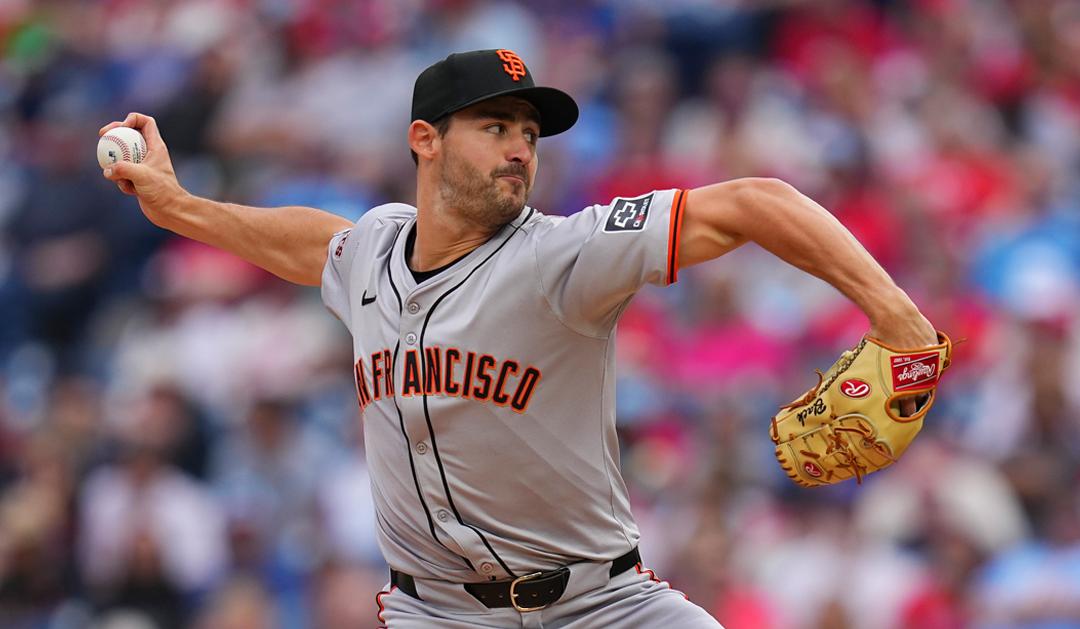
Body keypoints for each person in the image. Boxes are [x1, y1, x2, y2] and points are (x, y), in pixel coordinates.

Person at [100, 48, 937, 628]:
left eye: (530, 135)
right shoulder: (374, 249)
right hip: (436, 611)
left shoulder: (563, 255)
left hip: (601, 605)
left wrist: (898, 322)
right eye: (495, 126)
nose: (520, 149)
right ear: (424, 139)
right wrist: (178, 207)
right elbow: (305, 239)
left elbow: (758, 200)